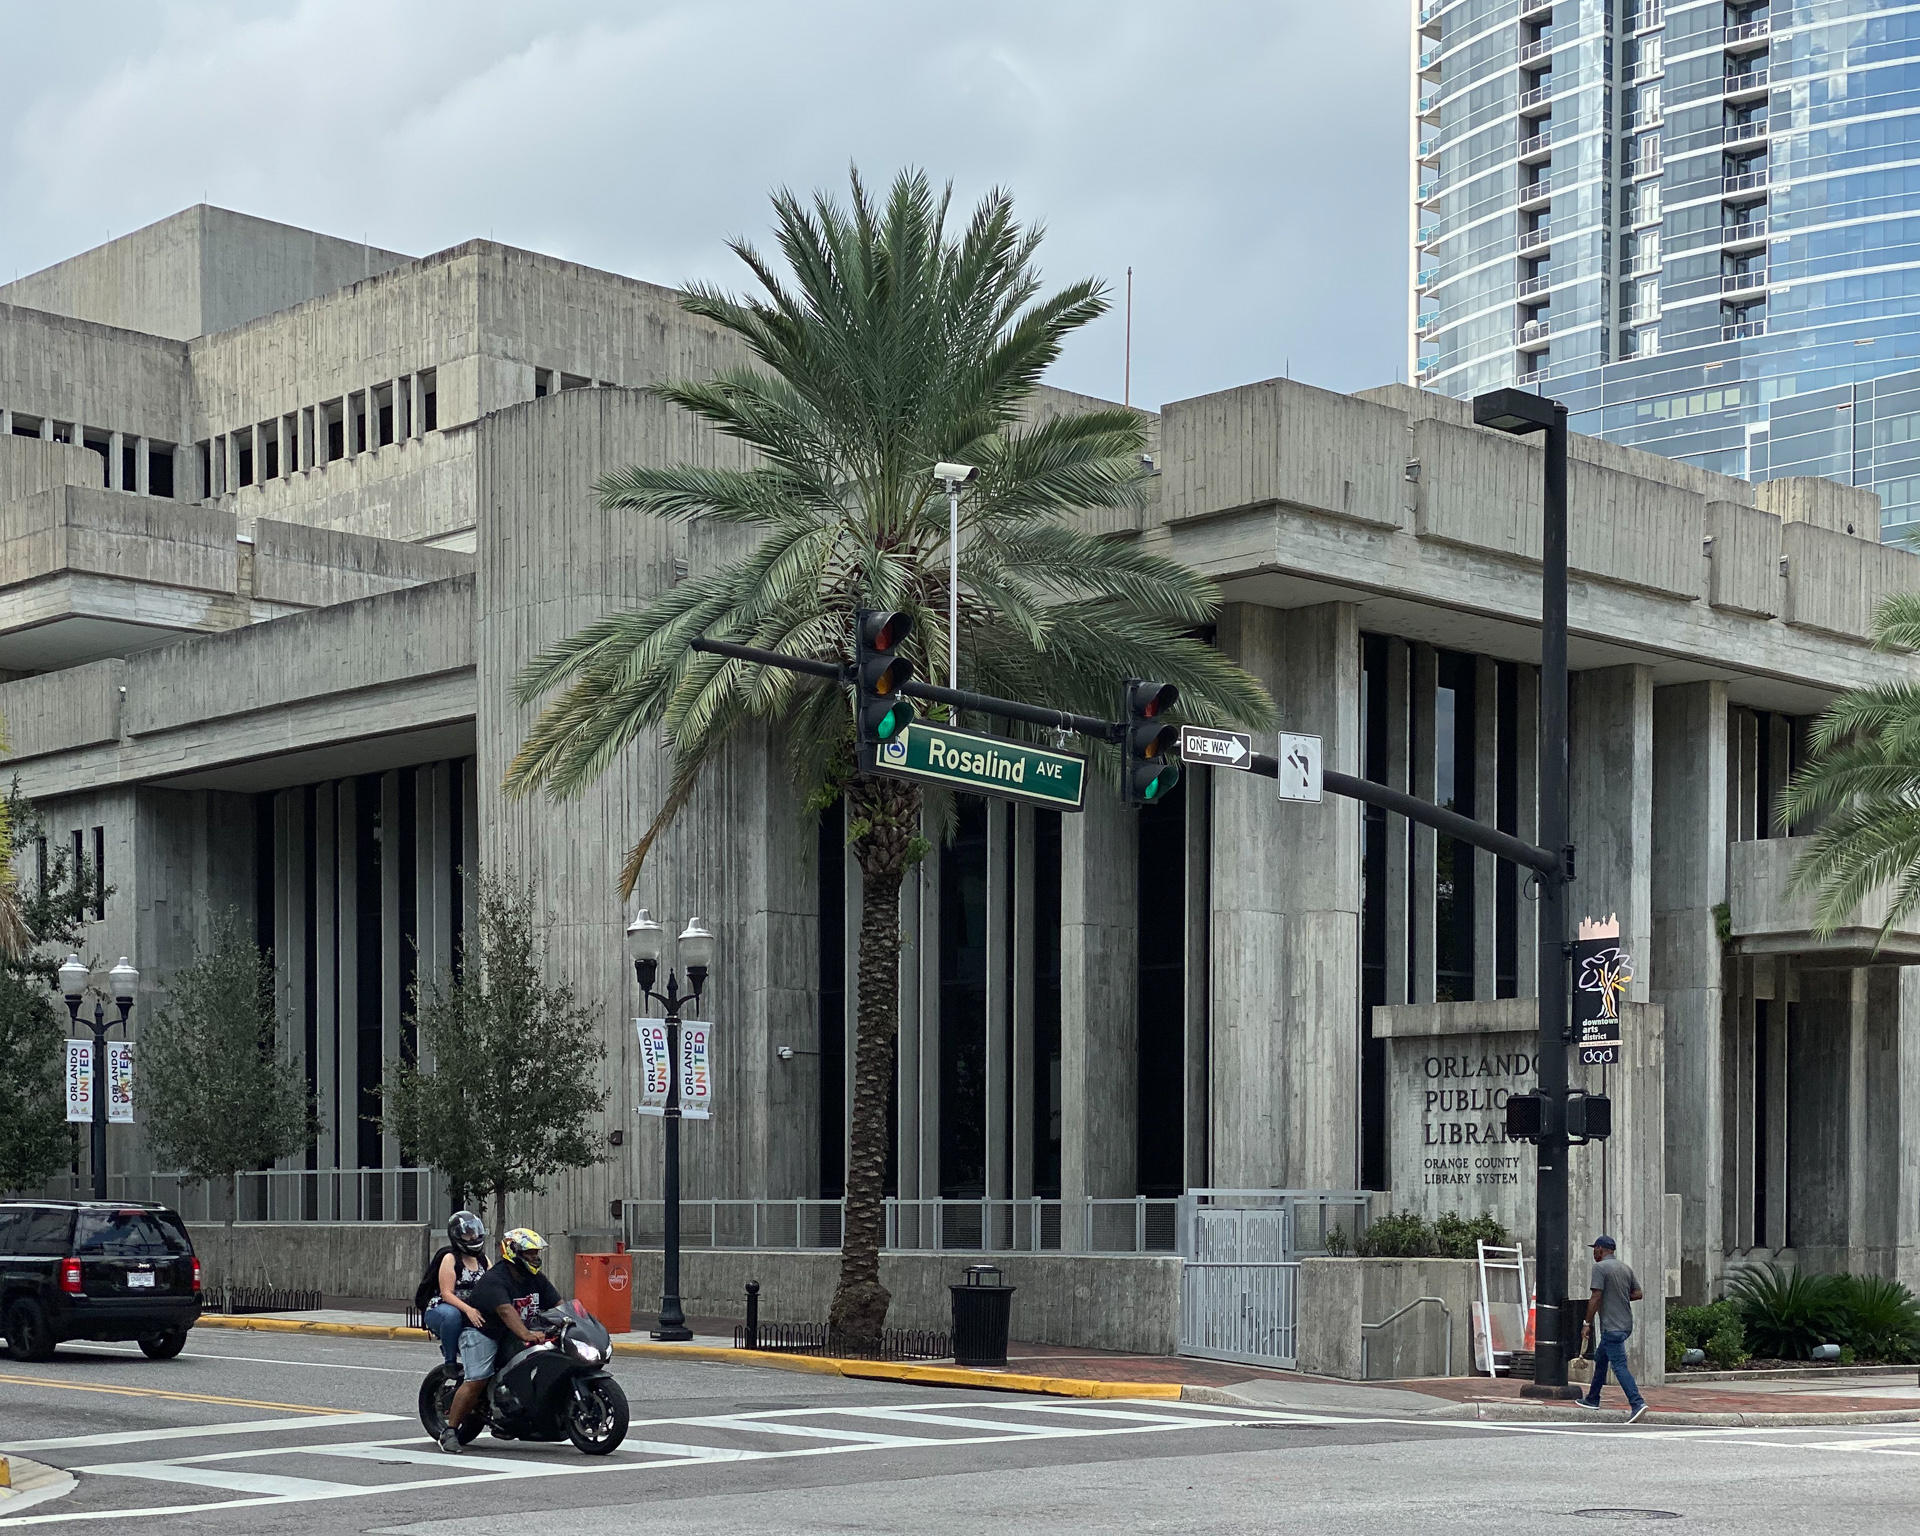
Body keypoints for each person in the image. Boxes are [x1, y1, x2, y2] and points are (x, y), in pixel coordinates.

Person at [438, 1227, 562, 1454]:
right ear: (514, 1253)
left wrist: (574, 1321)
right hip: (483, 1332)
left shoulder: (536, 1278)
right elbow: (506, 1311)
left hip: (512, 1332)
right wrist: (526, 1334)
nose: (534, 1257)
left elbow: (558, 1304)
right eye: (529, 1253)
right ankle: (450, 1431)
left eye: (536, 1253)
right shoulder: (495, 1280)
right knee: (478, 1379)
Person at [1579, 1233, 1648, 1422]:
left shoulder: (1600, 1268)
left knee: (1619, 1366)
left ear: (1600, 1249)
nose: (1594, 1253)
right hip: (1625, 1325)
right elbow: (1638, 1293)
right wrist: (1620, 1296)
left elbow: (1596, 1297)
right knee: (1601, 1359)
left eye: (1594, 1249)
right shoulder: (1625, 1268)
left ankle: (1637, 1403)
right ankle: (1592, 1398)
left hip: (1611, 1326)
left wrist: (1587, 1323)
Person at [419, 1212, 489, 1368]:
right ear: (456, 1236)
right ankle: (450, 1361)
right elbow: (446, 1294)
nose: (473, 1237)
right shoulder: (450, 1258)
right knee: (452, 1316)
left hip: (471, 1307)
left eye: (475, 1232)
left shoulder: (483, 1260)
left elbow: (494, 1284)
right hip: (443, 1307)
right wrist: (469, 1310)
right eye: (468, 1234)